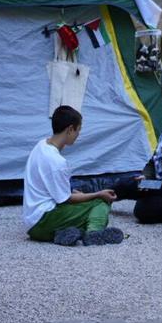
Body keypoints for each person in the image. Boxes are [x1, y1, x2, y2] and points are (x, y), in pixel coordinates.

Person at [23, 105, 122, 246]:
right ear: (70, 129)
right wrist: (98, 194)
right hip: (44, 220)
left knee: (84, 201)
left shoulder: (40, 145)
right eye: (78, 130)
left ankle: (65, 233)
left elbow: (51, 188)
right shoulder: (57, 162)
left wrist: (77, 194)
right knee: (101, 203)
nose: (78, 135)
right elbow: (65, 200)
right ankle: (93, 233)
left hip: (32, 226)